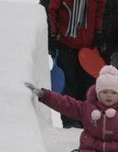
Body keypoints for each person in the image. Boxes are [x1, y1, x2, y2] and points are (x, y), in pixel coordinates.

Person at [46, 0, 106, 128]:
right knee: (69, 84)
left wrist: (99, 31)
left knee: (87, 85)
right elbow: (51, 10)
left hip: (88, 47)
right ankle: (69, 120)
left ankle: (85, 118)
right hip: (66, 44)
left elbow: (100, 12)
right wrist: (52, 33)